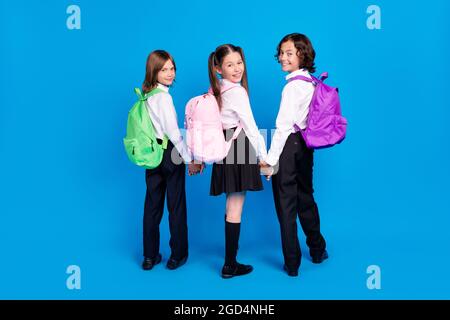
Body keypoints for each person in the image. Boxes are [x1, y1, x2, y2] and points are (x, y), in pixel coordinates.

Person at [260, 33, 328, 277]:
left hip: (288, 146)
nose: (282, 57)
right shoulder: (312, 82)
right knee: (305, 197)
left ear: (303, 54)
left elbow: (283, 127)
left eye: (289, 53)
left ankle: (292, 263)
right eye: (281, 52)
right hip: (306, 145)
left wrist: (269, 160)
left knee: (286, 204)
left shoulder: (292, 87)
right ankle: (318, 250)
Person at [208, 44, 268, 278]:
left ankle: (230, 260)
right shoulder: (237, 92)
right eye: (230, 64)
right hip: (238, 148)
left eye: (239, 63)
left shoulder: (215, 90)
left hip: (223, 147)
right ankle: (230, 264)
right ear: (218, 68)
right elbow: (251, 128)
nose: (237, 69)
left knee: (230, 206)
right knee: (235, 207)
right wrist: (264, 158)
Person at [140, 50, 202, 271]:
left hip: (152, 154)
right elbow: (174, 133)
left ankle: (149, 256)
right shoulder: (164, 98)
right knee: (175, 206)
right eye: (163, 69)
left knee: (152, 206)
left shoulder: (146, 97)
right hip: (169, 153)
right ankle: (178, 255)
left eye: (172, 68)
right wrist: (189, 160)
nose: (169, 73)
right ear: (153, 71)